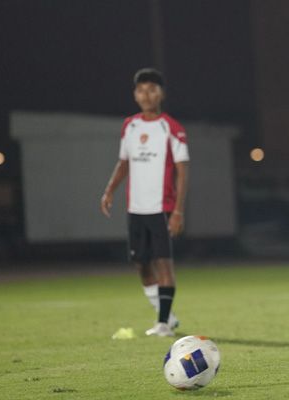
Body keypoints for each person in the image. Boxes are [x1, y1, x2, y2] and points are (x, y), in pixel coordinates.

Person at [100, 68, 189, 337]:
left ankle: (162, 323)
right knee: (141, 265)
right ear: (135, 95)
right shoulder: (130, 125)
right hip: (135, 207)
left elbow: (183, 170)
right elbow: (124, 162)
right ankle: (167, 316)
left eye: (152, 89)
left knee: (163, 263)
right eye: (141, 90)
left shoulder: (172, 128)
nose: (146, 94)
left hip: (161, 207)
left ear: (161, 93)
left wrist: (178, 211)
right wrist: (109, 190)